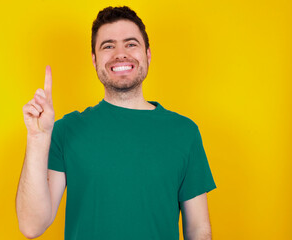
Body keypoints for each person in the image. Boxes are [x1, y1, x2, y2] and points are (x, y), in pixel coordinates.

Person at [16, 6, 216, 240]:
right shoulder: (65, 130)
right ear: (94, 59)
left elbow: (198, 229)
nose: (120, 54)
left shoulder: (185, 132)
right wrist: (37, 139)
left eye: (131, 44)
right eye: (108, 46)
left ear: (148, 54)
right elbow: (32, 226)